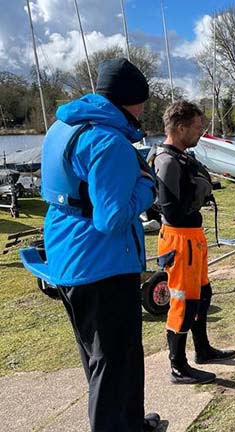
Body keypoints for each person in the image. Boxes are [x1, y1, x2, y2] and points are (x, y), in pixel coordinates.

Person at [40, 58, 160, 431]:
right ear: (128, 100)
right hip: (102, 264)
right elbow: (111, 219)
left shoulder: (60, 128)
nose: (143, 109)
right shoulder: (109, 142)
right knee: (113, 360)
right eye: (141, 101)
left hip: (67, 257)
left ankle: (132, 422)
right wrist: (146, 185)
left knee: (101, 355)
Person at [152, 100, 235, 384]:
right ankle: (178, 366)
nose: (201, 132)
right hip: (179, 240)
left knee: (203, 294)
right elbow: (171, 210)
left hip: (193, 237)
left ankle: (203, 349)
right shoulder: (166, 160)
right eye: (198, 127)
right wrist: (200, 189)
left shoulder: (183, 157)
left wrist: (202, 184)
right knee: (182, 302)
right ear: (181, 127)